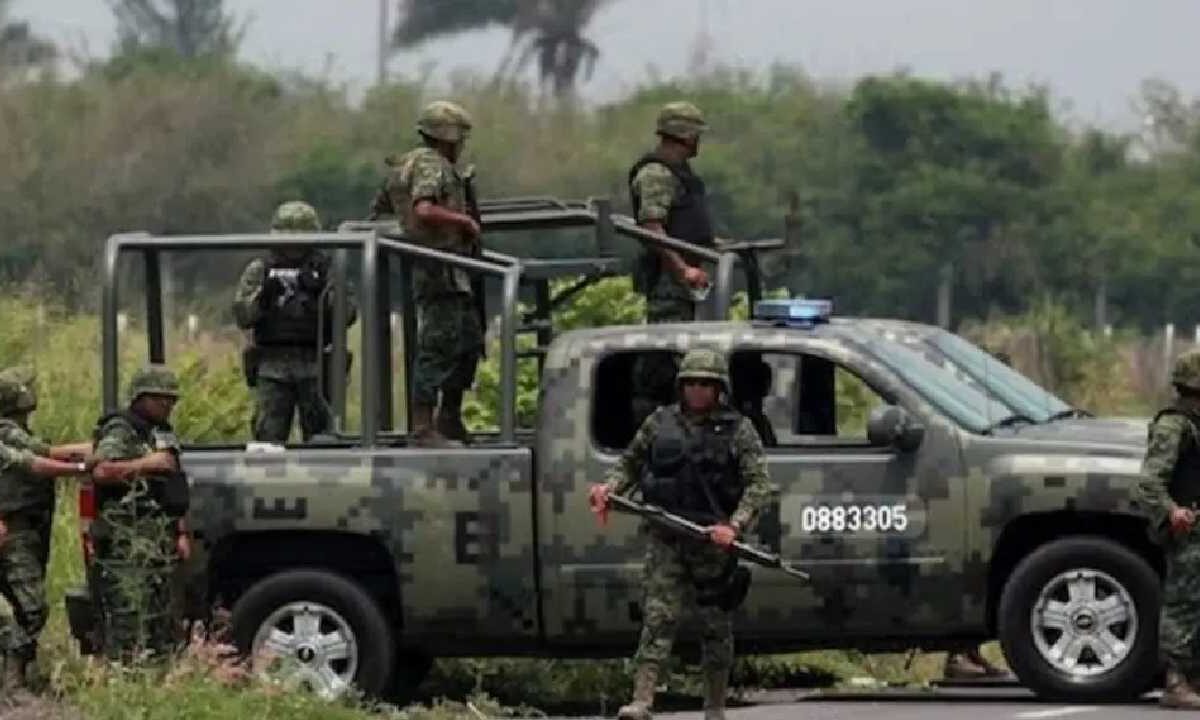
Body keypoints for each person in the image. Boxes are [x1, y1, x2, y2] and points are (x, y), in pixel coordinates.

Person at [589, 349, 773, 720]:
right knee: (658, 618)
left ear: (719, 388)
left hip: (712, 542)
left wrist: (734, 526)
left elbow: (759, 485)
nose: (698, 390)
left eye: (706, 384)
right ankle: (642, 700)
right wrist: (609, 489)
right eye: (691, 383)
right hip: (666, 536)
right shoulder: (660, 423)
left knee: (715, 626)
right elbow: (630, 463)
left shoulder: (738, 430)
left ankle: (715, 706)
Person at [379, 100, 483, 447]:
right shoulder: (429, 164)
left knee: (468, 341)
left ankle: (449, 417)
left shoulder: (412, 163)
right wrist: (463, 221)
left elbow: (382, 207)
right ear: (446, 137)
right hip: (439, 268)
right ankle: (423, 426)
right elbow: (424, 209)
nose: (462, 145)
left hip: (453, 267)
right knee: (438, 346)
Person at [0, 365, 92, 702]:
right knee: (33, 608)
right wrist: (82, 466)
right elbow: (37, 462)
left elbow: (43, 452)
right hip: (13, 530)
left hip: (25, 530)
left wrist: (89, 451)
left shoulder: (14, 430)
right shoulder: (6, 431)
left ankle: (18, 673)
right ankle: (14, 683)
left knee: (25, 607)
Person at [90, 364, 192, 663]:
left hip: (158, 537)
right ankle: (125, 672)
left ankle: (157, 669)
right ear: (141, 398)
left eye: (172, 400)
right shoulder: (121, 429)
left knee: (160, 615)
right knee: (129, 613)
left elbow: (174, 485)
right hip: (127, 539)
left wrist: (181, 531)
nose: (168, 405)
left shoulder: (161, 432)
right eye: (161, 399)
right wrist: (147, 465)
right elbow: (101, 470)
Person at [233, 200, 357, 443]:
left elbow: (348, 314)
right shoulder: (260, 269)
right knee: (268, 439)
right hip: (272, 363)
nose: (292, 248)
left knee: (322, 438)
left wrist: (322, 295)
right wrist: (263, 300)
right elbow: (242, 316)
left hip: (316, 361)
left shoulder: (327, 268)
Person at [628, 101, 717, 427]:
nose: (698, 141)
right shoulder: (656, 174)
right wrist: (682, 270)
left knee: (683, 353)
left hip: (685, 281)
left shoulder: (680, 174)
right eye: (695, 134)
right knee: (667, 356)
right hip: (670, 283)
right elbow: (652, 227)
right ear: (684, 134)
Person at [1135, 348, 1200, 709]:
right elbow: (1149, 482)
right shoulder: (1174, 425)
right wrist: (1172, 512)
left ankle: (1193, 677)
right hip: (1188, 532)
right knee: (1183, 606)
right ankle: (1175, 682)